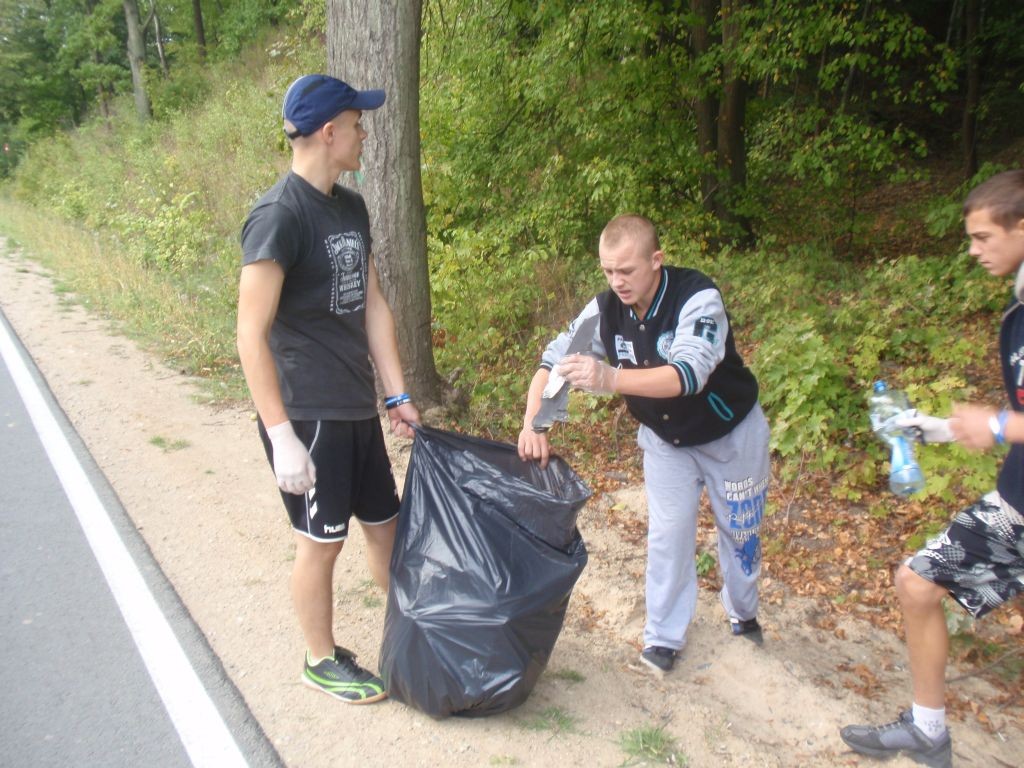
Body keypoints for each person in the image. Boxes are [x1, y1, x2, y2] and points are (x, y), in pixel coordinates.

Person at [517, 213, 771, 674]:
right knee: (668, 535)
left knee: (741, 531)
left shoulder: (697, 298)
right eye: (608, 271)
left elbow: (688, 375)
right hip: (665, 440)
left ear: (656, 260)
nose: (617, 281)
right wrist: (536, 421)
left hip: (731, 434)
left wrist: (610, 378)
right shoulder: (604, 310)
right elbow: (554, 361)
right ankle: (663, 638)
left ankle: (743, 612)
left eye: (626, 270)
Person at [236, 73, 419, 705]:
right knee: (321, 542)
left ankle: (414, 636)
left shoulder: (351, 206)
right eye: (358, 124)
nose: (365, 134)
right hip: (307, 412)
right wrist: (281, 436)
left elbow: (373, 304)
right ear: (328, 131)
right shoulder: (278, 217)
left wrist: (396, 394)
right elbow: (249, 334)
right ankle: (320, 658)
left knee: (386, 525)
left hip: (354, 404)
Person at [840, 170, 1024, 767]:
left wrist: (997, 424)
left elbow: (1009, 422)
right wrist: (937, 427)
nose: (972, 250)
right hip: (1016, 505)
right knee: (918, 583)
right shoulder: (1019, 309)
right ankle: (927, 732)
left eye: (982, 237)